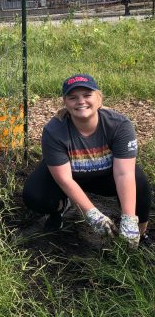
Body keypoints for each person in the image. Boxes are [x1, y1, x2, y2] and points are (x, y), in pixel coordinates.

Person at [23, 74, 151, 248]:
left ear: (99, 98)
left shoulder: (119, 125)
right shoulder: (54, 131)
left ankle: (139, 233)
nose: (80, 101)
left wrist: (129, 218)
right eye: (73, 97)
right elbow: (65, 179)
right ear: (65, 102)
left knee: (139, 182)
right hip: (71, 177)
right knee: (34, 194)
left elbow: (124, 173)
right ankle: (60, 209)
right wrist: (92, 215)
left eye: (87, 95)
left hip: (107, 176)